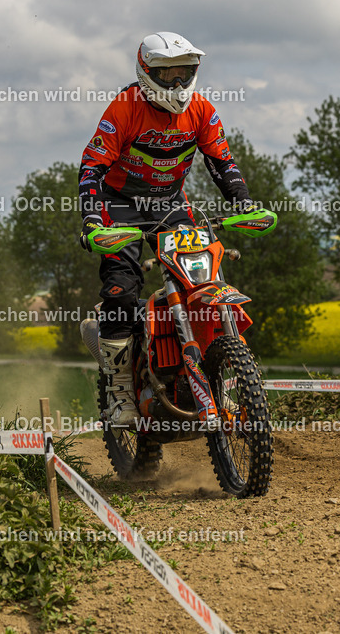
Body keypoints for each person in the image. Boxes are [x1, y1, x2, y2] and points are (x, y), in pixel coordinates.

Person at [78, 31, 253, 426]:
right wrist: (91, 219)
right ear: (146, 72)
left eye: (184, 72)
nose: (177, 83)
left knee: (200, 278)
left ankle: (207, 368)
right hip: (118, 205)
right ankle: (120, 392)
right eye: (167, 74)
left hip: (169, 205)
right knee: (121, 289)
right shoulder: (124, 108)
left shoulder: (202, 111)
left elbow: (221, 161)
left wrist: (242, 202)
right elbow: (91, 168)